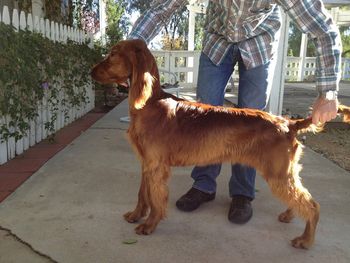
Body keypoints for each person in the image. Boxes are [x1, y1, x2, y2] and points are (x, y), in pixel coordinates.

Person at [128, 0, 341, 224]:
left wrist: (328, 92)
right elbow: (161, 9)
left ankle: (242, 193)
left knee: (253, 124)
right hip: (216, 42)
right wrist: (130, 48)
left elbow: (322, 27)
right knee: (202, 118)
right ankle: (203, 184)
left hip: (260, 44)